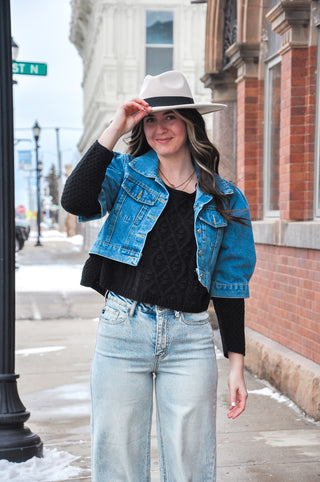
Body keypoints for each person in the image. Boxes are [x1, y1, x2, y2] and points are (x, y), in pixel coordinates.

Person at [61, 70, 256, 482]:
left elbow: (230, 283)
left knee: (191, 464)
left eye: (170, 117)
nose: (159, 128)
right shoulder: (126, 174)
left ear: (190, 124)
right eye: (151, 118)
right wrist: (117, 126)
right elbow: (75, 199)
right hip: (122, 330)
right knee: (118, 462)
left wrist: (236, 363)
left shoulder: (225, 197)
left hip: (189, 339)